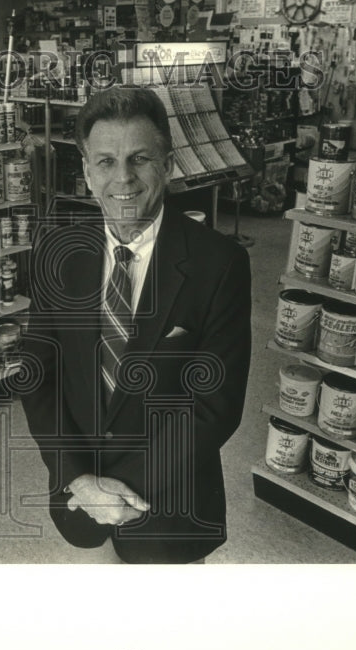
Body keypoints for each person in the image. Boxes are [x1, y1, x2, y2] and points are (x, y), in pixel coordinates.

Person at [20, 86, 252, 564]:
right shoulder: (57, 255)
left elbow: (215, 405)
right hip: (78, 498)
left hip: (169, 506)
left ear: (166, 165)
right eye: (105, 161)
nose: (122, 178)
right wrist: (82, 481)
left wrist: (122, 492)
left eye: (140, 159)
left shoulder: (219, 263)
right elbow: (40, 374)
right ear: (86, 171)